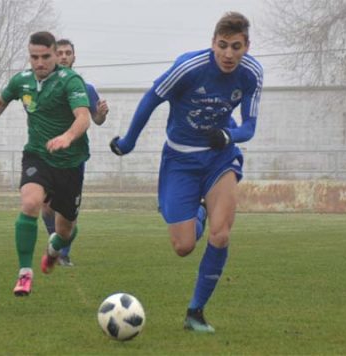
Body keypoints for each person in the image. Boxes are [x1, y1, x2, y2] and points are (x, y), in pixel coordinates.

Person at [109, 12, 263, 333]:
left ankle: (196, 313)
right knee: (183, 247)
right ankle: (199, 212)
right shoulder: (188, 68)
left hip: (220, 158)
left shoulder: (251, 74)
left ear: (247, 46)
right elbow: (152, 98)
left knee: (221, 235)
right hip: (179, 160)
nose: (229, 54)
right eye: (223, 46)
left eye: (236, 46)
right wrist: (127, 142)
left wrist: (228, 136)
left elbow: (249, 126)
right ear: (213, 43)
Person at [0, 31, 92, 297]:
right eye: (34, 57)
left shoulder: (70, 80)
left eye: (45, 56)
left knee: (66, 230)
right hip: (38, 155)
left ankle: (54, 250)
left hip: (70, 163)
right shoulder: (22, 81)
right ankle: (24, 274)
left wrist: (67, 136)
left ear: (55, 55)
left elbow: (84, 116)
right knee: (30, 203)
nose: (40, 62)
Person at [39, 38, 109, 267]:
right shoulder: (43, 86)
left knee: (68, 214)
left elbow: (96, 120)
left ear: (73, 57)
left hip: (74, 157)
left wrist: (101, 114)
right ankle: (55, 245)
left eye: (68, 53)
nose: (64, 56)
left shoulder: (85, 88)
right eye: (59, 53)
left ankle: (63, 252)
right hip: (47, 154)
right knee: (46, 207)